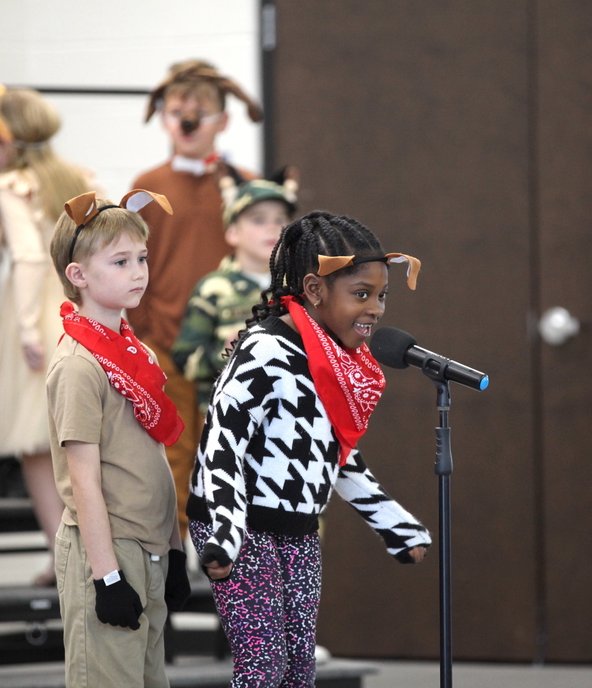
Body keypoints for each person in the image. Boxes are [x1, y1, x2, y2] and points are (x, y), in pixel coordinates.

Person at [187, 211, 432, 687]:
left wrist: (395, 525)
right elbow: (222, 442)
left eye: (381, 295)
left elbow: (335, 454)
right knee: (264, 667)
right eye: (361, 294)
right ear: (315, 290)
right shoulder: (265, 350)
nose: (376, 309)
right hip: (241, 525)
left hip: (296, 528)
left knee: (300, 669)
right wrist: (224, 531)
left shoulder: (336, 359)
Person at [45, 190, 190, 688]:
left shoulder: (137, 355)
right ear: (78, 276)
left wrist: (173, 550)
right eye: (121, 261)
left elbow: (154, 457)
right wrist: (106, 578)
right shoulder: (79, 367)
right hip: (106, 552)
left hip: (148, 545)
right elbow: (83, 481)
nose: (139, 272)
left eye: (142, 258)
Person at [130, 59, 263, 540]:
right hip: (165, 350)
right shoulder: (148, 187)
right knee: (173, 461)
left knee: (234, 460)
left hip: (232, 351)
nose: (187, 123)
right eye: (177, 112)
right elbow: (131, 260)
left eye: (199, 113)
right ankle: (171, 575)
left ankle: (236, 576)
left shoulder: (242, 186)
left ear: (223, 121)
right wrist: (144, 334)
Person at [0, 88, 92, 586]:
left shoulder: (11, 185)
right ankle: (81, 553)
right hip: (75, 310)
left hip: (36, 315)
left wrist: (22, 328)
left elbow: (27, 256)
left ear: (2, 140)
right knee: (73, 441)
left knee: (38, 447)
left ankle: (66, 559)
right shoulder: (76, 177)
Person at [170, 169, 298, 416]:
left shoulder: (299, 287)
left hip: (287, 414)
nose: (272, 228)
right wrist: (226, 349)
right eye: (258, 220)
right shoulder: (214, 290)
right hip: (226, 416)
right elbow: (184, 360)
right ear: (232, 232)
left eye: (281, 220)